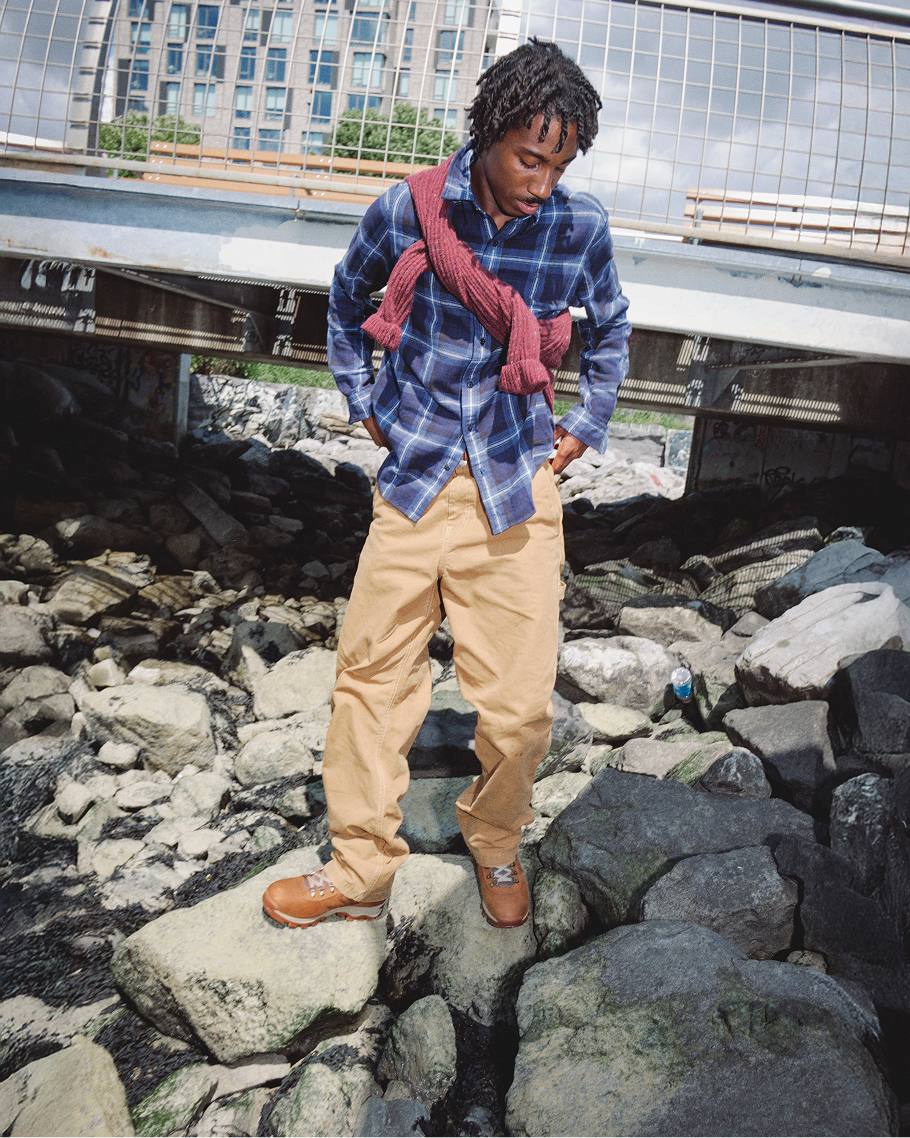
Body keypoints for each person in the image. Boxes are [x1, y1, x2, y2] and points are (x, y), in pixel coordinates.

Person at [262, 37, 631, 931]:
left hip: (516, 487)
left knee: (518, 705)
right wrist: (363, 405)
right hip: (414, 483)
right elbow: (346, 307)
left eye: (559, 164)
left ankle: (495, 838)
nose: (541, 182)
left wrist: (582, 425)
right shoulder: (407, 209)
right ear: (488, 131)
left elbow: (613, 332)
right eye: (528, 158)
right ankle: (359, 867)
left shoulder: (578, 230)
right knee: (370, 680)